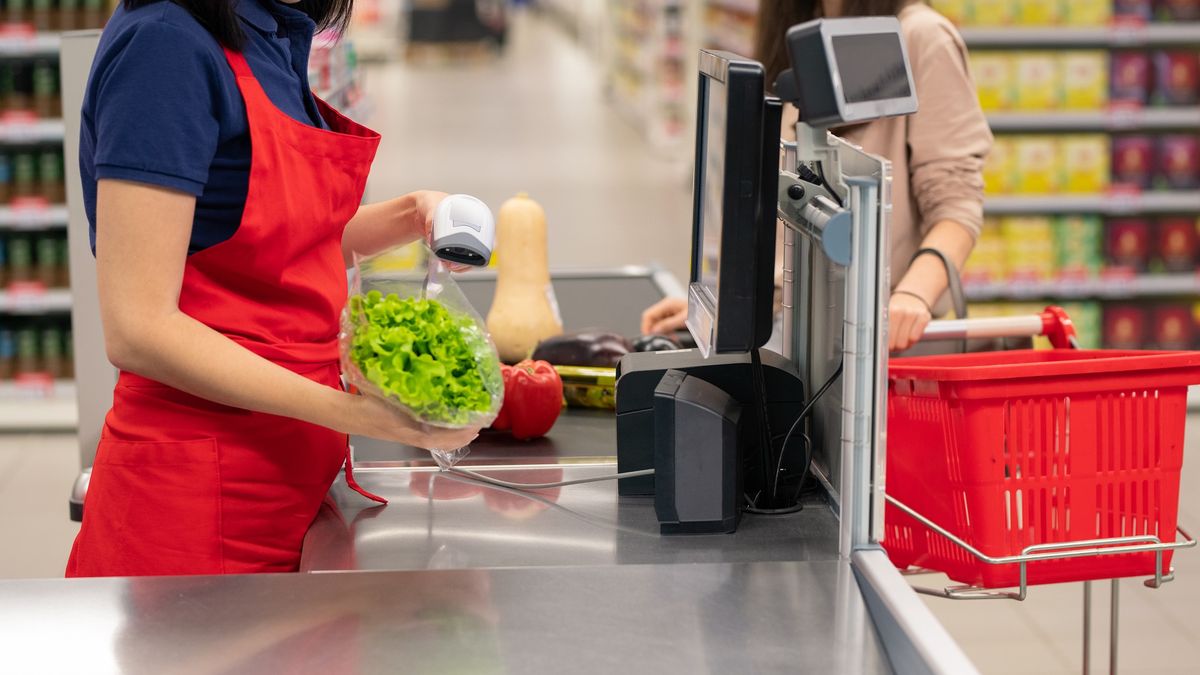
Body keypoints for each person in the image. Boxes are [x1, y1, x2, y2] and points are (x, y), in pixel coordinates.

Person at [66, 0, 483, 577]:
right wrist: (358, 414)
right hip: (192, 515)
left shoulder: (262, 28)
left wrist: (414, 213)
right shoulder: (164, 49)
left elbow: (273, 248)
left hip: (290, 494)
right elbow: (138, 327)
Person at [642, 0, 992, 354]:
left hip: (870, 352)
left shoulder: (920, 36)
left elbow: (956, 209)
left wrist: (911, 297)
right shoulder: (800, 28)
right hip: (796, 336)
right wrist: (731, 307)